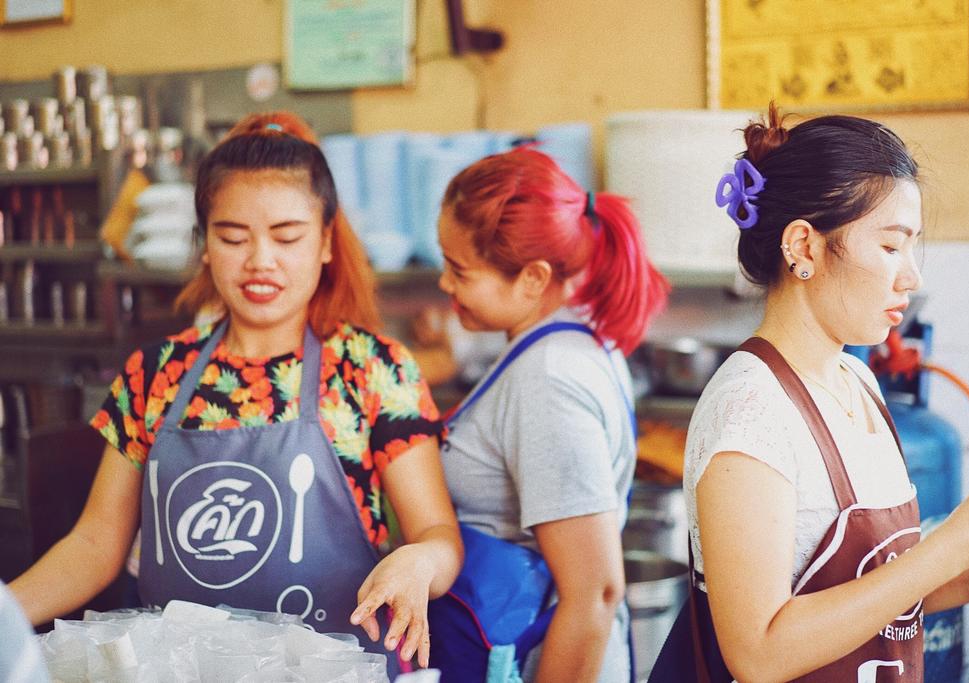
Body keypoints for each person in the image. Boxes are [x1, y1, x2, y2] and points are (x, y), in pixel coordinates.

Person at [10, 112, 463, 674]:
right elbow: (95, 545)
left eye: (287, 236)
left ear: (325, 242)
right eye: (232, 236)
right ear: (204, 244)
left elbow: (438, 534)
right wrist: (5, 613)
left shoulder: (373, 370)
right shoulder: (155, 374)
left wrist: (419, 563)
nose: (260, 261)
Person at [650, 105, 969, 682]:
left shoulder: (858, 381)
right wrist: (948, 549)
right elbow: (759, 652)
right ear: (803, 246)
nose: (911, 276)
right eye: (892, 246)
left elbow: (859, 598)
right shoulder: (751, 411)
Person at [427, 146, 669, 682]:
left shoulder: (550, 379)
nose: (445, 284)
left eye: (459, 270)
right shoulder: (551, 346)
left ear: (533, 278)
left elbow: (595, 593)